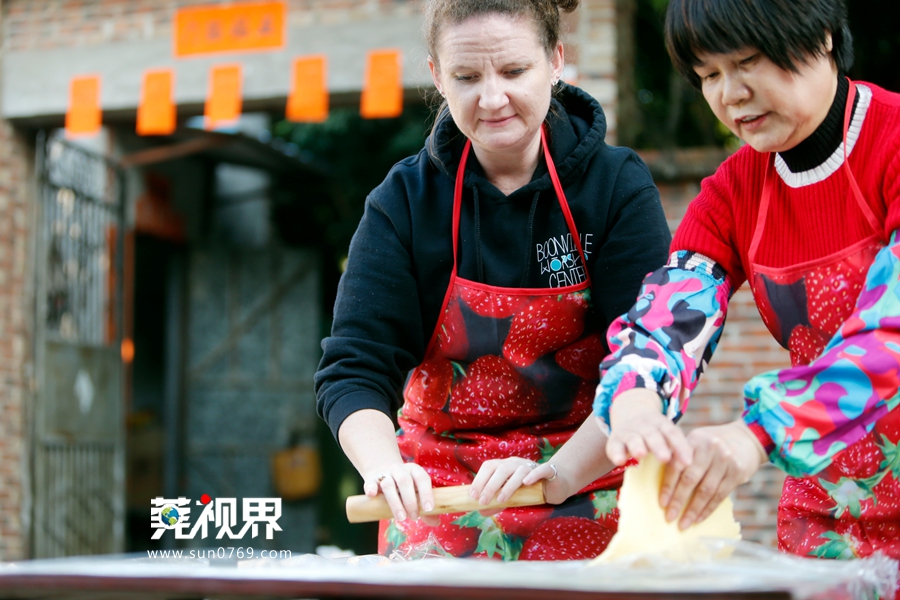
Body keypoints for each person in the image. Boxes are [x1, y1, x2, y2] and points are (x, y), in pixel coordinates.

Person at [315, 0, 670, 559]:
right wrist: (385, 467)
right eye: (466, 76)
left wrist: (556, 471)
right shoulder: (404, 201)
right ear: (437, 76)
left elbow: (649, 361)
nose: (492, 98)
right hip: (438, 495)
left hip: (585, 476)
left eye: (513, 71)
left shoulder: (615, 187)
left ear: (556, 60)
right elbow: (354, 366)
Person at [593, 0, 900, 569]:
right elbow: (670, 315)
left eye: (747, 61)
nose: (728, 94)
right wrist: (636, 398)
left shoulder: (893, 141)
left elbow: (893, 333)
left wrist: (755, 431)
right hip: (824, 517)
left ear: (825, 34)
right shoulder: (732, 193)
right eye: (708, 75)